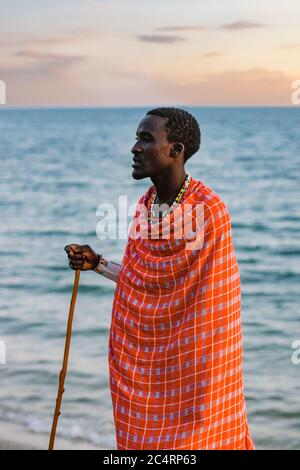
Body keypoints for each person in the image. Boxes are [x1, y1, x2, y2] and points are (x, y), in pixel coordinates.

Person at [64, 107, 255, 450]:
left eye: (146, 139)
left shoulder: (208, 209)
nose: (134, 147)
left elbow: (214, 299)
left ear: (176, 150)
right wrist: (98, 264)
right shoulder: (145, 205)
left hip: (197, 372)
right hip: (146, 369)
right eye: (137, 137)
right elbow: (145, 282)